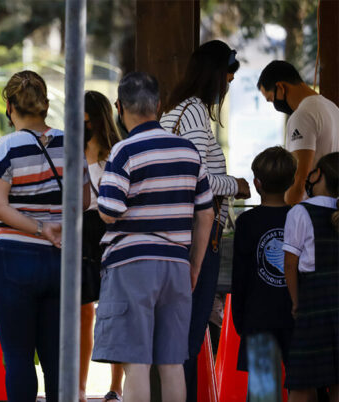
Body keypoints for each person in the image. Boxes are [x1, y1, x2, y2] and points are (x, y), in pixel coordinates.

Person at [92, 71, 215, 402]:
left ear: (119, 107)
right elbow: (206, 214)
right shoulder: (190, 152)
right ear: (159, 106)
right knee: (172, 363)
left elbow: (109, 210)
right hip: (176, 266)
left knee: (137, 364)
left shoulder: (124, 151)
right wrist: (194, 266)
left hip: (132, 266)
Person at [0, 70, 90, 402]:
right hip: (61, 259)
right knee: (57, 360)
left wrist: (40, 228)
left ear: (9, 105)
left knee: (17, 358)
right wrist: (55, 225)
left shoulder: (6, 148)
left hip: (14, 258)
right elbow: (84, 201)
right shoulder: (70, 143)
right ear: (44, 105)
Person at [159, 40, 251, 400]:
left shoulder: (174, 110)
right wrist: (237, 184)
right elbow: (195, 177)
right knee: (190, 332)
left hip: (172, 231)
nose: (228, 83)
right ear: (215, 74)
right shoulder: (195, 113)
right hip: (198, 232)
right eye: (228, 74)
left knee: (179, 332)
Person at [230, 146, 296, 380]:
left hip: (258, 317)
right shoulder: (300, 217)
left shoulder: (247, 222)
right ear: (292, 181)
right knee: (302, 386)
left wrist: (240, 318)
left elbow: (240, 277)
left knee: (263, 390)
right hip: (295, 315)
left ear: (257, 183)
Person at [282, 152, 339, 402]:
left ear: (319, 175)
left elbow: (290, 265)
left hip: (313, 302)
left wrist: (296, 302)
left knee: (302, 382)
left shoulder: (299, 213)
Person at [80, 90, 123, 402]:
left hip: (110, 230)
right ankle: (79, 387)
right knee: (83, 312)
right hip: (84, 231)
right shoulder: (72, 151)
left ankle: (116, 387)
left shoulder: (117, 152)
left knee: (114, 309)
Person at [257, 60, 339, 205]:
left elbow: (300, 177)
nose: (274, 104)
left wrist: (288, 214)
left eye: (271, 99)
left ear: (280, 87)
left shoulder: (302, 116)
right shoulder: (332, 107)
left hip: (311, 210)